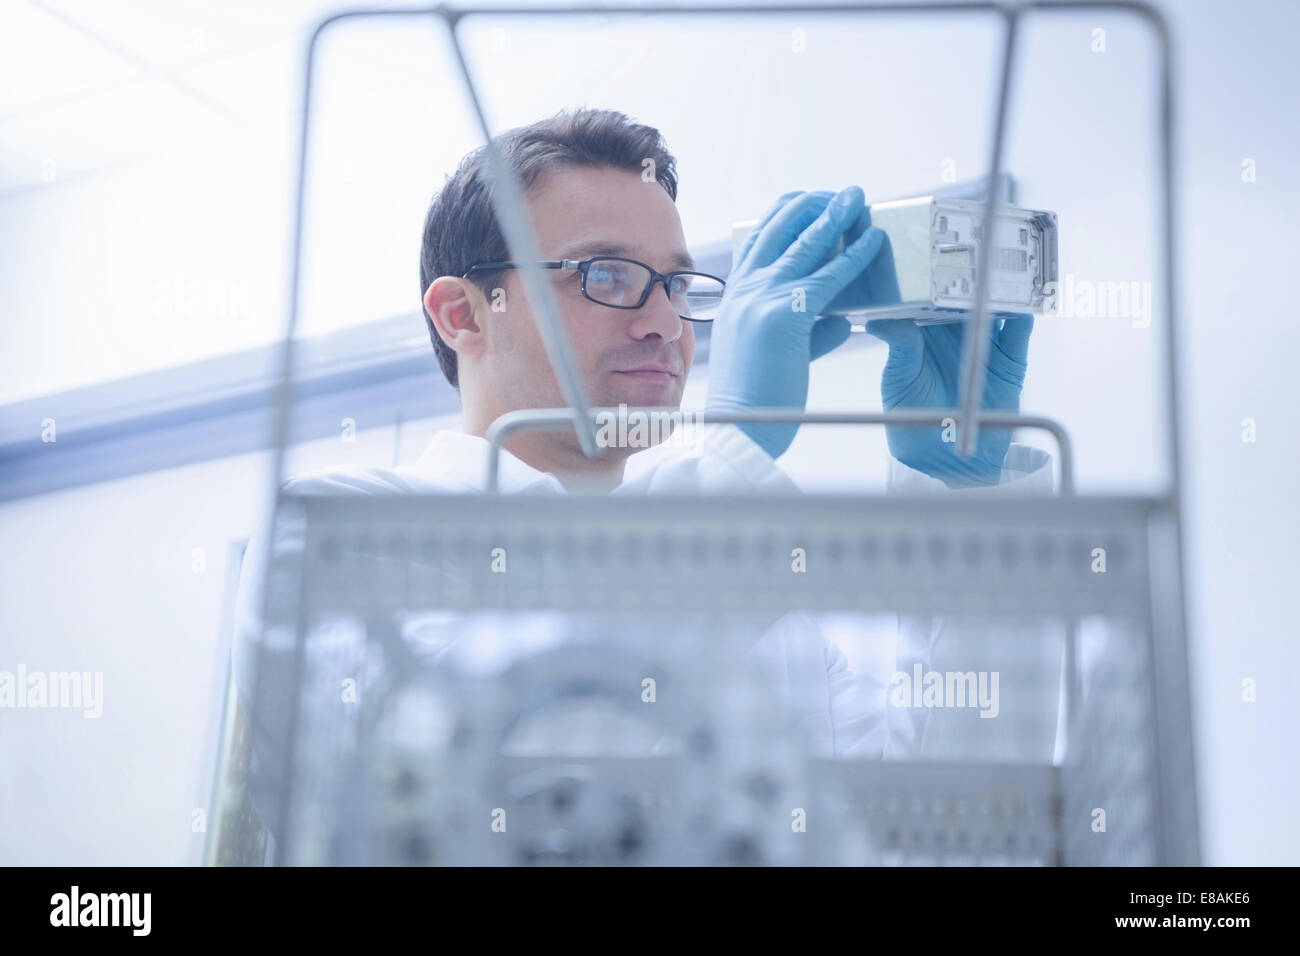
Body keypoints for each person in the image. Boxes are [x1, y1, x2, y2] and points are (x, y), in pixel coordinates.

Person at [230, 108, 1057, 840]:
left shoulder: (782, 632)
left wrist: (968, 496)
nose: (666, 324)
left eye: (676, 283)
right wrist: (739, 447)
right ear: (463, 314)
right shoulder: (334, 537)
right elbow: (502, 784)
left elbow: (946, 833)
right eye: (608, 276)